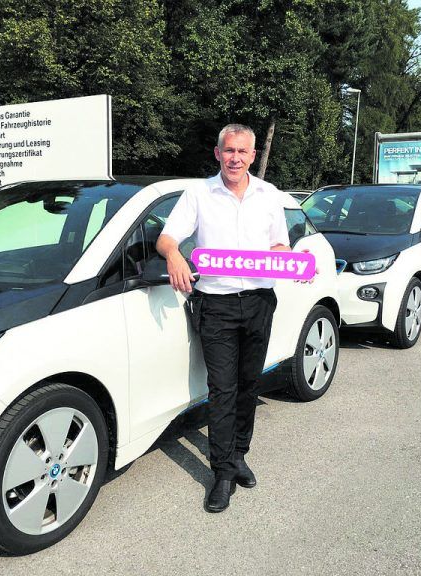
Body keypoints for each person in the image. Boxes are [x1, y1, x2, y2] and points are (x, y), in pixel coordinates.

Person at [156, 124, 290, 513]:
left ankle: (239, 455)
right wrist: (175, 255)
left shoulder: (269, 196)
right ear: (218, 154)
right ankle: (222, 473)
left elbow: (279, 244)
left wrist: (291, 261)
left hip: (261, 300)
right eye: (228, 151)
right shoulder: (198, 194)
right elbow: (166, 238)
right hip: (216, 305)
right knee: (223, 388)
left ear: (252, 156)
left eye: (242, 152)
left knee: (249, 384)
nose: (235, 158)